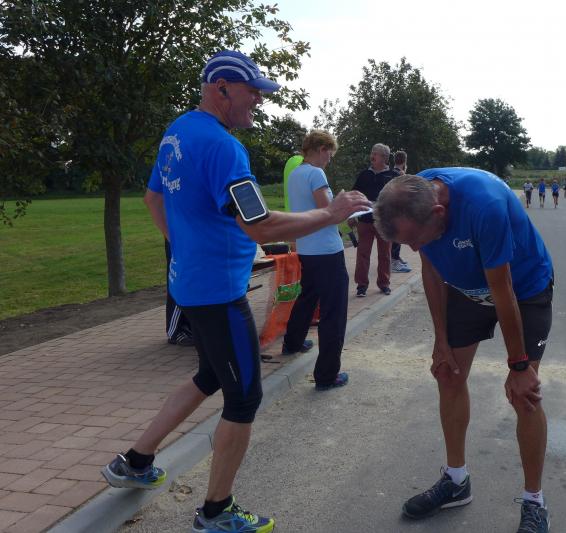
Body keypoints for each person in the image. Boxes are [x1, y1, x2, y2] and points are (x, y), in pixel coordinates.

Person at [101, 50, 370, 533]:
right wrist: (331, 215)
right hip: (218, 292)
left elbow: (153, 197)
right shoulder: (223, 147)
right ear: (222, 88)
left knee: (210, 374)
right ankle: (216, 511)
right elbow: (259, 226)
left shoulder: (177, 131)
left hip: (190, 282)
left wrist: (185, 247)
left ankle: (136, 461)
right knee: (244, 398)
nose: (259, 101)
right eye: (253, 92)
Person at [374, 168, 555, 533]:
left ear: (439, 212)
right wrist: (440, 339)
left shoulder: (484, 205)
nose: (414, 249)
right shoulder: (415, 197)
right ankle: (456, 480)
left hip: (521, 288)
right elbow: (431, 271)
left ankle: (534, 501)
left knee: (525, 395)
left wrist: (519, 366)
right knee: (448, 373)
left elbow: (502, 289)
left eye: (415, 239)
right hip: (468, 289)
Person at [283, 130, 350, 390]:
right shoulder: (315, 173)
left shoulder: (295, 174)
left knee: (307, 296)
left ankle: (292, 342)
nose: (329, 160)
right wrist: (347, 207)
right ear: (322, 149)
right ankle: (326, 374)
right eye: (330, 154)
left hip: (306, 247)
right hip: (327, 250)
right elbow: (329, 212)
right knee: (334, 311)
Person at [351, 143, 398, 297]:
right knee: (362, 254)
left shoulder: (393, 177)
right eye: (372, 152)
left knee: (385, 254)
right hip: (364, 221)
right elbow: (354, 195)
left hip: (384, 222)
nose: (372, 156)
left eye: (375, 153)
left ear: (384, 157)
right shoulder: (364, 175)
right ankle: (361, 285)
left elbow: (398, 199)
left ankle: (384, 284)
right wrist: (351, 215)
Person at [390, 150, 412, 273]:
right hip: (397, 209)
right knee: (397, 236)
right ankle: (394, 261)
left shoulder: (390, 172)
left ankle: (395, 257)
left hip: (390, 208)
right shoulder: (400, 175)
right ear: (404, 162)